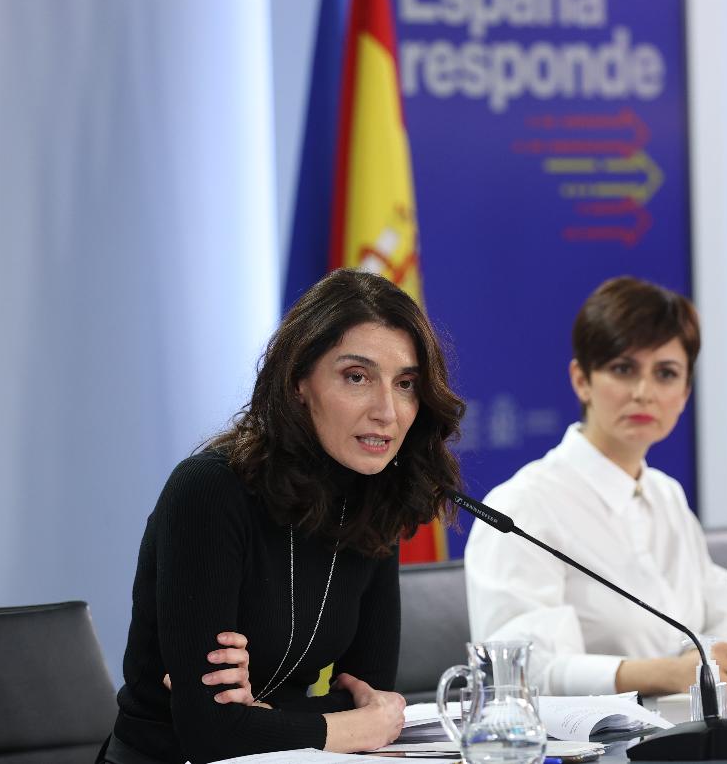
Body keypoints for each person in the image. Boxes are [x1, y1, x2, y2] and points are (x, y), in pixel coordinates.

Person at [102, 269, 464, 764]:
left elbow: (372, 693)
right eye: (356, 377)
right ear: (299, 383)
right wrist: (328, 720)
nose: (388, 411)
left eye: (405, 384)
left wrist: (271, 717)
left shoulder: (373, 497)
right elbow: (210, 734)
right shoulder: (210, 490)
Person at [464, 277, 727, 698]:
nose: (644, 393)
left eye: (666, 374)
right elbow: (515, 671)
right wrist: (660, 673)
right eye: (623, 369)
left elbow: (726, 611)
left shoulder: (665, 495)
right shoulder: (524, 505)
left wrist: (725, 656)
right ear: (582, 380)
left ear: (686, 391)